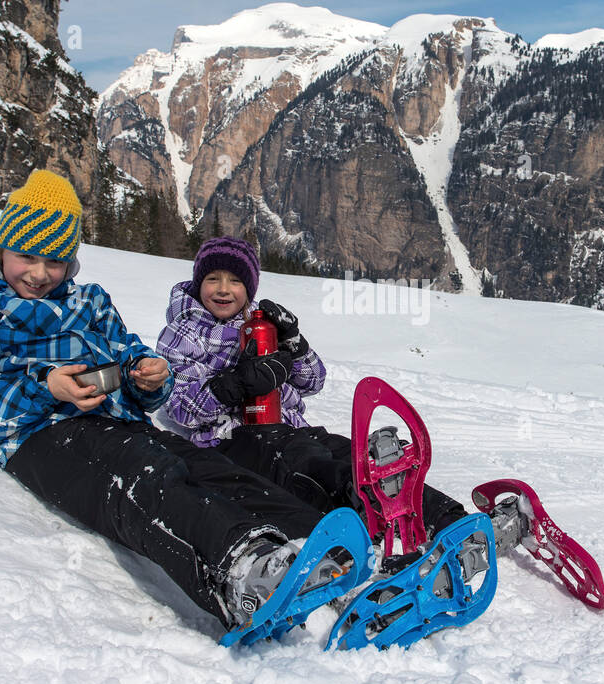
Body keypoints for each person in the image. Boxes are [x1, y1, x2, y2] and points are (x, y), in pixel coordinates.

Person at [0, 171, 364, 640]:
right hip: (44, 436)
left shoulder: (89, 302)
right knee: (145, 475)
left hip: (122, 422)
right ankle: (243, 569)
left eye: (54, 260)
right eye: (26, 256)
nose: (38, 273)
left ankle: (335, 554)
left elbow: (131, 356)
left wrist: (148, 376)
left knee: (212, 470)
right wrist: (44, 389)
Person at [154, 237, 519, 564]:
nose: (223, 289)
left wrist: (295, 343)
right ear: (198, 282)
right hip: (235, 440)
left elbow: (314, 380)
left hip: (294, 428)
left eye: (234, 280)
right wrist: (234, 383)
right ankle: (375, 524)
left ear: (248, 288)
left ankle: (453, 522)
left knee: (355, 457)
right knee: (311, 467)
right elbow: (181, 408)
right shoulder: (184, 330)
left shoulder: (261, 325)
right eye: (212, 279)